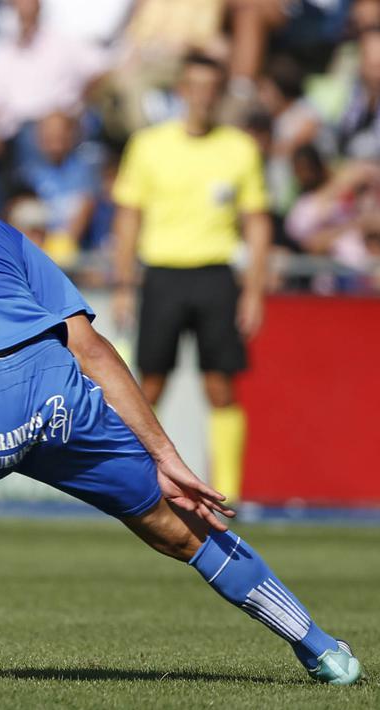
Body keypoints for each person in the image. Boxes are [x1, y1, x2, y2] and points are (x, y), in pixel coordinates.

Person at [0, 135, 363, 684]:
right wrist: (166, 455)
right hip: (59, 398)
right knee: (185, 531)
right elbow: (90, 347)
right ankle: (324, 650)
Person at [111, 51, 272, 505]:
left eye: (210, 88)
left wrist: (254, 291)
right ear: (181, 91)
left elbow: (257, 223)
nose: (201, 97)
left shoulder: (238, 148)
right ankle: (136, 483)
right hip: (162, 273)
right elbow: (128, 217)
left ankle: (230, 494)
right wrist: (124, 283)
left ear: (219, 94)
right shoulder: (148, 145)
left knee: (220, 384)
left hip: (216, 275)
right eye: (194, 86)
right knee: (150, 384)